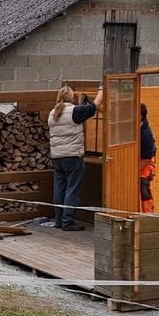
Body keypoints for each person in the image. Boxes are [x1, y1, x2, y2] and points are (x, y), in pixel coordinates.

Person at [47, 85, 102, 231]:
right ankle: (68, 222)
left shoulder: (53, 113)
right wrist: (102, 89)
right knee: (72, 190)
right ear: (71, 97)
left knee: (59, 189)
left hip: (57, 157)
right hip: (72, 157)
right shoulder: (75, 111)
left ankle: (59, 221)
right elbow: (95, 105)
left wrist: (82, 105)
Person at [140, 103, 157, 213]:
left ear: (140, 116)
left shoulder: (146, 134)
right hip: (140, 159)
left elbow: (147, 157)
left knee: (144, 188)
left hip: (145, 162)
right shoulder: (137, 127)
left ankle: (149, 216)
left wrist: (133, 170)